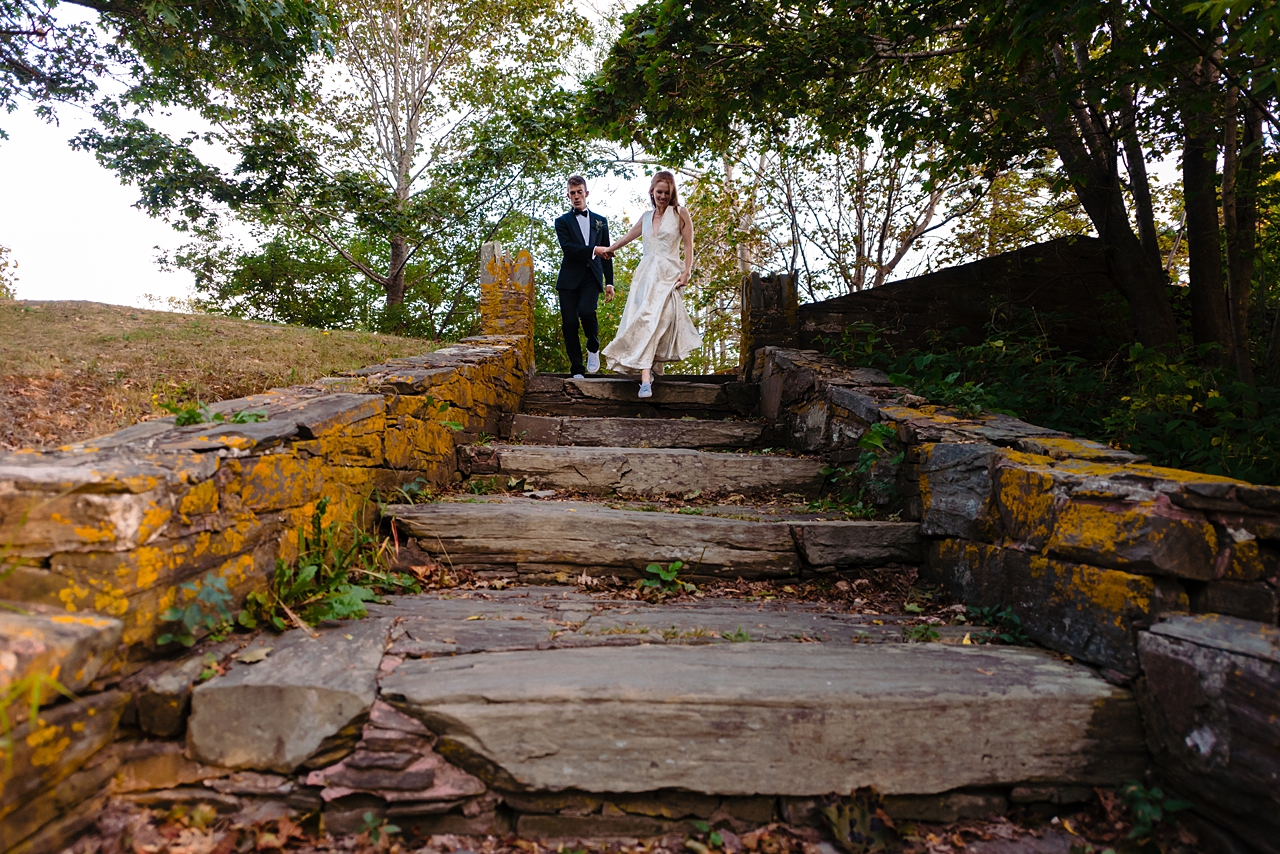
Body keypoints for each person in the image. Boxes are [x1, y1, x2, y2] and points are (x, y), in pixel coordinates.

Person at [598, 170, 701, 398]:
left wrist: (686, 272)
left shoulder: (680, 213)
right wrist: (608, 250)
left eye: (666, 192)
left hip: (668, 275)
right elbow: (627, 237)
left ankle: (649, 370)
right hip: (646, 276)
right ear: (652, 192)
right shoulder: (646, 217)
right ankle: (646, 377)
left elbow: (688, 245)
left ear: (672, 193)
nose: (662, 196)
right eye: (659, 192)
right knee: (646, 319)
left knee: (661, 321)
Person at [554, 175, 614, 378]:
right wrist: (594, 249)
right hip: (568, 280)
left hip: (591, 276)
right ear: (568, 196)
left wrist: (610, 283)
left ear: (586, 193)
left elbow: (607, 254)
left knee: (587, 312)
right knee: (569, 324)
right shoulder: (562, 222)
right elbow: (568, 249)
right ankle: (577, 369)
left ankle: (593, 345)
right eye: (572, 193)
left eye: (580, 192)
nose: (576, 196)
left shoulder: (600, 222)